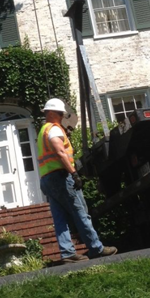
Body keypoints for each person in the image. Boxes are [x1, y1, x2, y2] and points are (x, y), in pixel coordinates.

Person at [38, 98, 118, 264]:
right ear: (52, 113)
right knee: (80, 212)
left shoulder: (43, 131)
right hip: (61, 177)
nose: (62, 117)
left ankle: (67, 253)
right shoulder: (54, 130)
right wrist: (74, 173)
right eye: (60, 114)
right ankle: (97, 248)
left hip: (47, 179)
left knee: (59, 217)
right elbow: (61, 153)